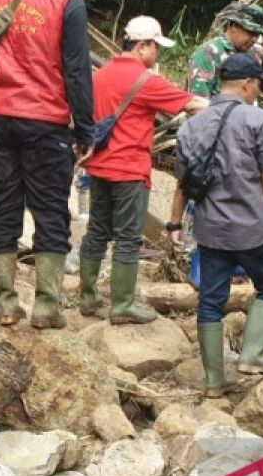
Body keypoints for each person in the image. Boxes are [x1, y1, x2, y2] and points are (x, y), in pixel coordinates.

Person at [0, 0, 95, 329]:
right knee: (50, 211)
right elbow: (76, 70)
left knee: (2, 206)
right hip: (45, 119)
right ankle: (45, 307)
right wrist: (86, 128)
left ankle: (5, 304)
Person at [169, 53, 263, 397]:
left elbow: (182, 183)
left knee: (210, 301)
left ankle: (213, 382)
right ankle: (252, 355)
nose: (258, 91)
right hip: (252, 227)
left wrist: (174, 224)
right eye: (257, 85)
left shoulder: (192, 124)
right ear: (247, 83)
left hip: (210, 229)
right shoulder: (258, 120)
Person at [79, 16, 209, 323]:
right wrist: (228, 106)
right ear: (143, 46)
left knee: (96, 231)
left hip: (98, 167)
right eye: (156, 47)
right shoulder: (146, 81)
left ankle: (87, 297)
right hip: (129, 170)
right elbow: (192, 104)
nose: (158, 54)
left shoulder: (101, 74)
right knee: (127, 238)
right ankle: (123, 305)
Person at [187, 3, 263, 99]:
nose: (254, 39)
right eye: (251, 33)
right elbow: (198, 100)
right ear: (234, 26)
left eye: (258, 35)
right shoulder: (209, 53)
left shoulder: (254, 53)